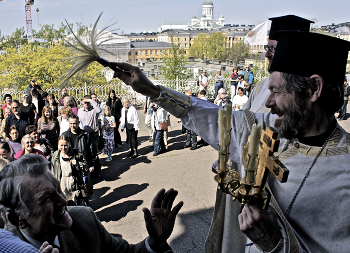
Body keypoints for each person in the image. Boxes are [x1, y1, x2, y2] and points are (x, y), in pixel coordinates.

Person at [111, 29, 350, 252]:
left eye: (277, 91)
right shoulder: (269, 130)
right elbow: (213, 117)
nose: (267, 103)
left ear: (313, 89)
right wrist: (152, 90)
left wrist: (274, 244)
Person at [0, 154, 183, 253]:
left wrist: (155, 242)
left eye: (58, 190)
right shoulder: (7, 247)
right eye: (46, 199)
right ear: (18, 219)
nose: (64, 201)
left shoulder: (83, 218)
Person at [242, 15, 314, 113]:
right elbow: (243, 115)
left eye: (273, 49)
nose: (266, 54)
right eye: (267, 48)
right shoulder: (262, 84)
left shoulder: (301, 91)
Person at [51, 135, 87, 206]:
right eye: (61, 145)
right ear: (58, 144)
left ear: (69, 144)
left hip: (73, 184)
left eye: (65, 145)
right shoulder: (55, 155)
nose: (63, 148)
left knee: (75, 205)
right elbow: (53, 171)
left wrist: (77, 163)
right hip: (61, 184)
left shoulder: (76, 153)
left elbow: (85, 165)